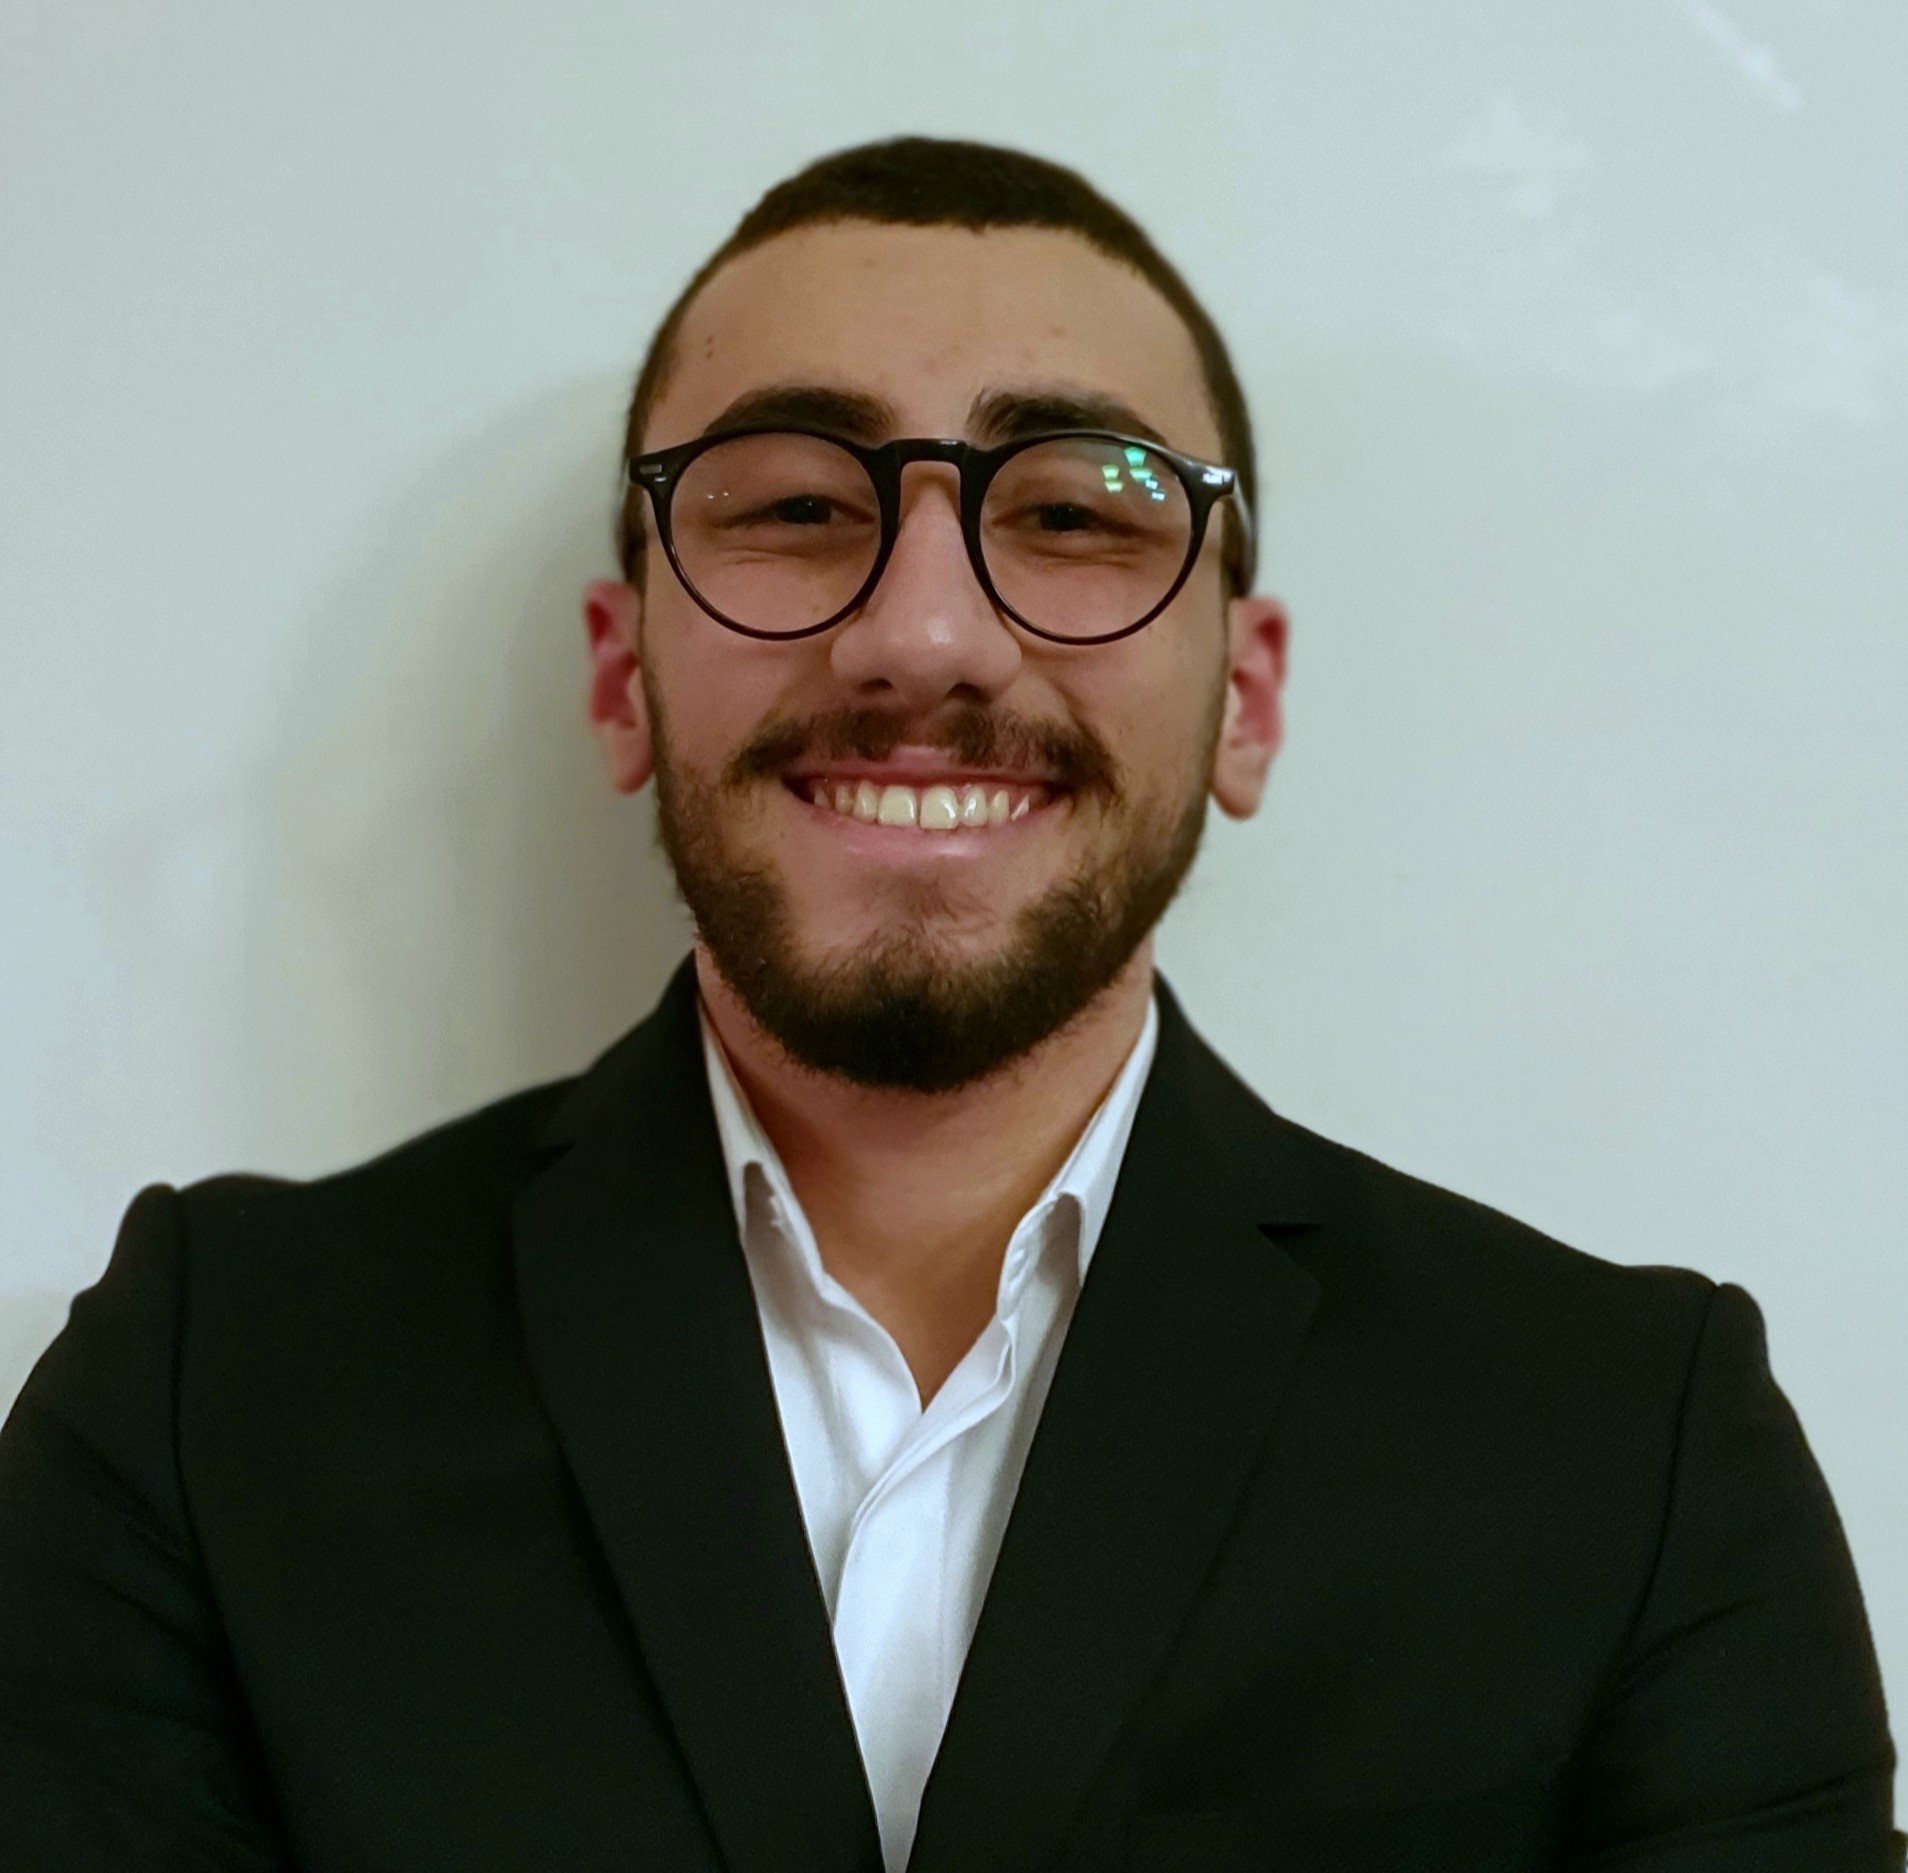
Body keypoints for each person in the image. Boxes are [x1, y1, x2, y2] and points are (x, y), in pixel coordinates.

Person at [0, 136, 1896, 1873]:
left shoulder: (1633, 1449)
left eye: (1075, 513)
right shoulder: (206, 1395)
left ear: (1244, 698)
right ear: (622, 675)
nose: (922, 632)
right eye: (794, 504)